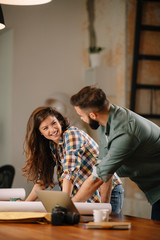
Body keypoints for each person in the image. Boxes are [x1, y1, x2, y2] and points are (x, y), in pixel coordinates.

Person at [70, 86, 160, 221]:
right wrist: (104, 208)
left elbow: (97, 178)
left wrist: (68, 207)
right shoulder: (105, 124)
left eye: (81, 116)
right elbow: (105, 169)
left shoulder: (125, 131)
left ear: (93, 115)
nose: (82, 119)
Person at [22, 106, 123, 213]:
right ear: (40, 133)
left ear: (59, 121)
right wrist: (25, 204)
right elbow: (42, 181)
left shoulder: (72, 135)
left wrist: (64, 205)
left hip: (108, 193)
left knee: (103, 228)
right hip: (86, 196)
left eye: (53, 123)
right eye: (45, 128)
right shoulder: (51, 145)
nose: (52, 130)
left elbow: (70, 171)